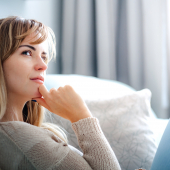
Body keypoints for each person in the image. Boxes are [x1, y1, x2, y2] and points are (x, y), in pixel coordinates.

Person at [0, 16, 121, 170]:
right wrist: (81, 115)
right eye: (27, 53)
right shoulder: (19, 136)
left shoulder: (21, 133)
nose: (43, 65)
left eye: (44, 56)